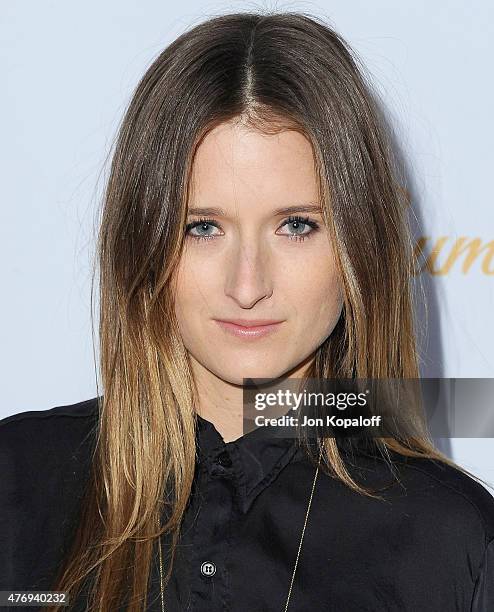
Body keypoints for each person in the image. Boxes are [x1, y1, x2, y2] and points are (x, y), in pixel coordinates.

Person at [1, 11, 493, 612]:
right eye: (203, 227)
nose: (247, 284)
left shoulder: (449, 536)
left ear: (358, 247)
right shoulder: (16, 482)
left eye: (296, 226)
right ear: (143, 240)